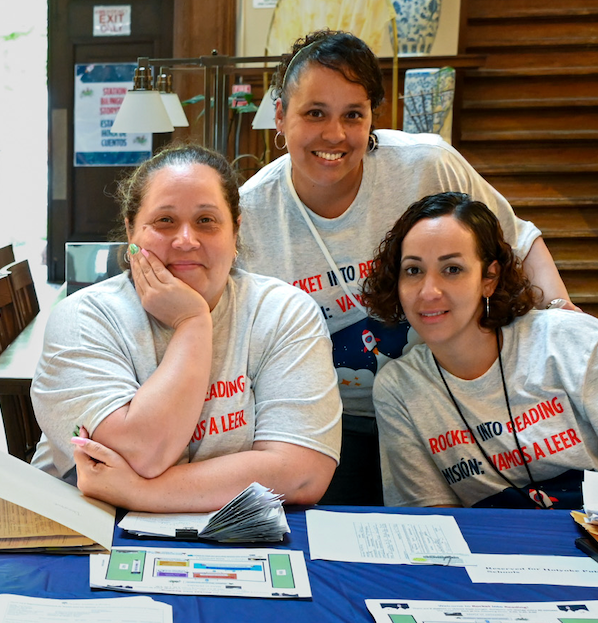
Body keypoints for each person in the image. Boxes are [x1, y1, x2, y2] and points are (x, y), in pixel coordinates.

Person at [236, 30, 574, 505]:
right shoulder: (248, 216)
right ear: (280, 115)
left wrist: (562, 317)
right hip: (324, 431)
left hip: (449, 411)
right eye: (315, 113)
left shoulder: (425, 163)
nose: (334, 135)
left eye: (353, 115)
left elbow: (517, 241)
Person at [31, 144, 341, 513]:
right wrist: (192, 323)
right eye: (164, 221)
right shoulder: (84, 317)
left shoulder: (283, 312)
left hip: (234, 540)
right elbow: (144, 452)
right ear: (132, 230)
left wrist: (141, 493)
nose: (185, 240)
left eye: (206, 221)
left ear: (235, 231)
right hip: (83, 537)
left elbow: (304, 473)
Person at [363, 192, 598, 509]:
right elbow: (433, 524)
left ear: (489, 278)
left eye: (452, 269)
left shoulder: (576, 342)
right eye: (413, 270)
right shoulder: (398, 388)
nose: (428, 291)